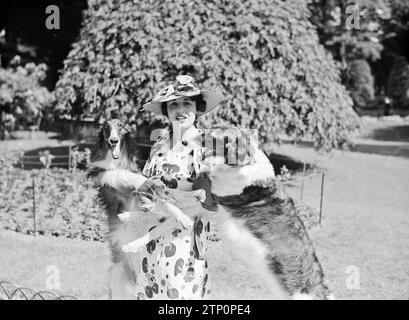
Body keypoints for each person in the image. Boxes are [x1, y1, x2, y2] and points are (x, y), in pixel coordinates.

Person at [132, 75, 224, 299]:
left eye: (187, 103)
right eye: (173, 104)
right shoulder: (160, 143)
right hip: (150, 239)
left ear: (197, 108)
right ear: (166, 110)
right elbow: (145, 187)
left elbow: (211, 204)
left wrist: (172, 201)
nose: (180, 109)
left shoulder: (206, 146)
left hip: (183, 244)